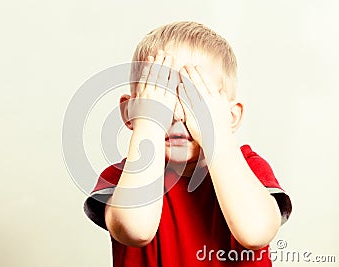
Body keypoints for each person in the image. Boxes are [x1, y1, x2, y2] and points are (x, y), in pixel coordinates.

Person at [84, 21, 292, 266]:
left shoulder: (249, 170)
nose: (178, 115)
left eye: (194, 100)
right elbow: (135, 231)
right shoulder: (123, 177)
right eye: (161, 96)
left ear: (230, 117)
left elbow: (255, 232)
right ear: (130, 113)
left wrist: (216, 134)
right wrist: (150, 123)